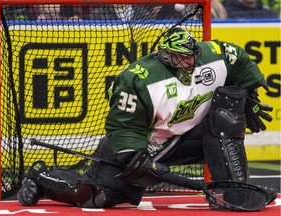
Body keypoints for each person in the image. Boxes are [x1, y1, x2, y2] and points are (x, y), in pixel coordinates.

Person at [17, 27, 276, 209]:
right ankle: (42, 178)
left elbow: (238, 58)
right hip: (144, 146)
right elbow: (122, 125)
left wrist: (250, 91)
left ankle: (233, 193)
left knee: (227, 114)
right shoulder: (138, 79)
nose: (189, 63)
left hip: (187, 136)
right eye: (182, 58)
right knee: (94, 197)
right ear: (166, 56)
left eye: (192, 56)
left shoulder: (212, 56)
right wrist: (136, 159)